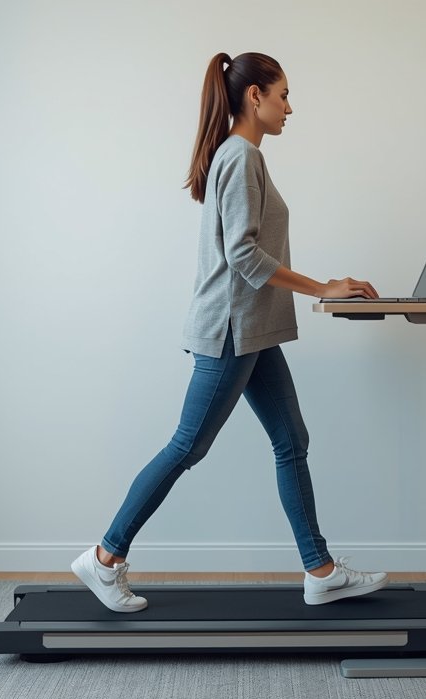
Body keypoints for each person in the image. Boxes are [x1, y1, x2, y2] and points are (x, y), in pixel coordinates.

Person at [71, 51, 389, 612]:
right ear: (255, 96)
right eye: (284, 94)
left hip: (253, 330)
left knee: (292, 442)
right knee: (187, 446)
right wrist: (324, 288)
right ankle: (103, 558)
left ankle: (320, 571)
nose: (291, 107)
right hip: (230, 331)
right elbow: (243, 253)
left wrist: (323, 286)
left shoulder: (245, 156)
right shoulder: (240, 156)